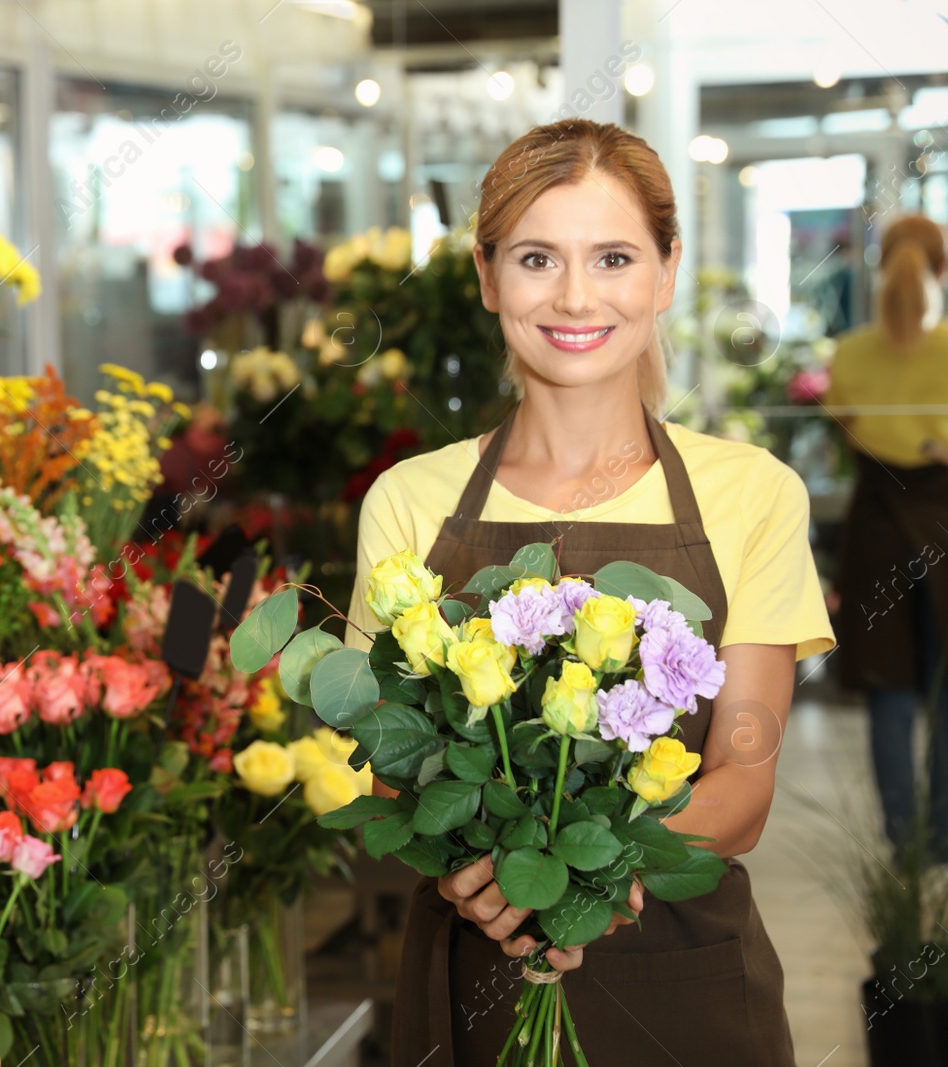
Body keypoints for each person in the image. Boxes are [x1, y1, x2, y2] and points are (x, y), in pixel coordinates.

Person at [345, 119, 834, 1066]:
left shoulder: (754, 493)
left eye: (613, 257)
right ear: (488, 278)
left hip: (689, 975)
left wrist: (581, 878)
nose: (576, 296)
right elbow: (390, 772)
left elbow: (744, 780)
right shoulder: (409, 503)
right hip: (474, 974)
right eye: (537, 258)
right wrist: (482, 879)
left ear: (665, 271)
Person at [826, 214, 948, 858]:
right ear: (943, 268)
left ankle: (904, 839)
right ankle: (945, 835)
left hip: (876, 526)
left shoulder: (850, 352)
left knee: (890, 690)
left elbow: (845, 437)